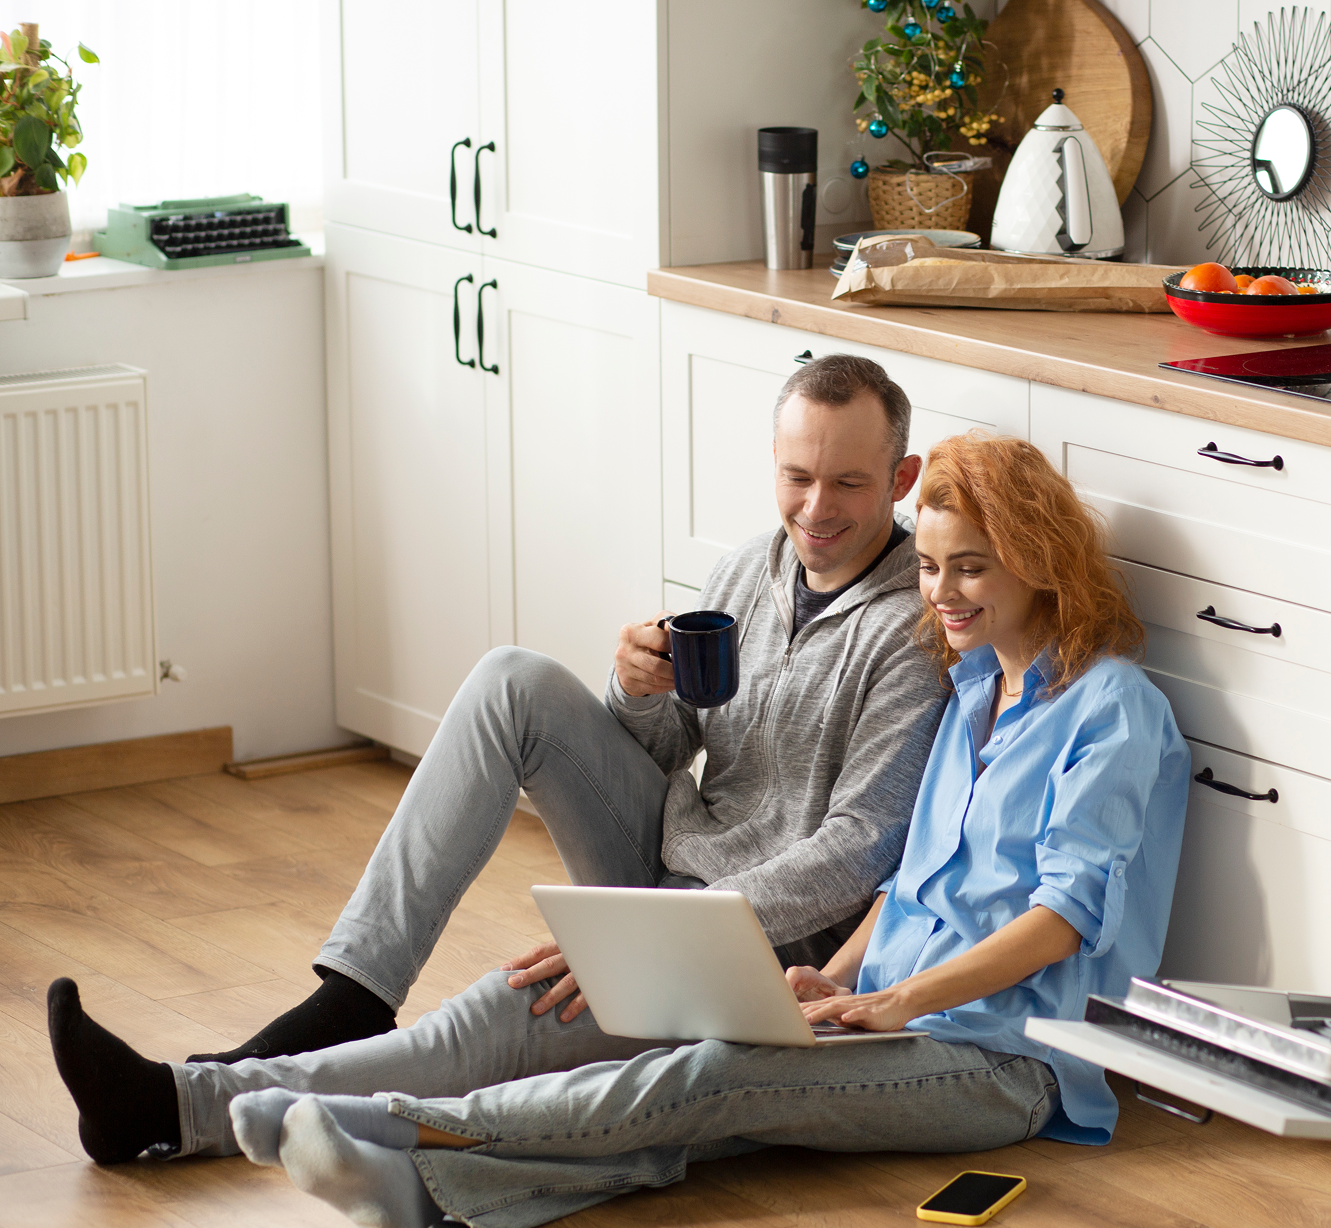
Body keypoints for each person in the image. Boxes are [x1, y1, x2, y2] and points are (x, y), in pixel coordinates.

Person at [46, 432, 1190, 1228]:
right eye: (933, 565)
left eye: (968, 566)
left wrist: (878, 1000)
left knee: (698, 1084)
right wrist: (831, 979)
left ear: (1038, 555)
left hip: (1005, 1060)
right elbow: (906, 880)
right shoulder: (971, 684)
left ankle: (381, 1128)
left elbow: (1055, 918)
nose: (938, 590)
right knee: (598, 1059)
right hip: (843, 986)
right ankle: (387, 1174)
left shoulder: (1107, 707)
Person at [46, 353, 952, 1166]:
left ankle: (179, 1105)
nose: (817, 509)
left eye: (849, 484)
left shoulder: (911, 631)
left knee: (500, 1012)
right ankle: (354, 990)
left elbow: (862, 845)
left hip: (764, 941)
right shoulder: (746, 570)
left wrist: (676, 929)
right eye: (797, 478)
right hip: (674, 873)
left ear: (901, 478)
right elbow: (672, 748)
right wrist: (636, 687)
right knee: (510, 679)